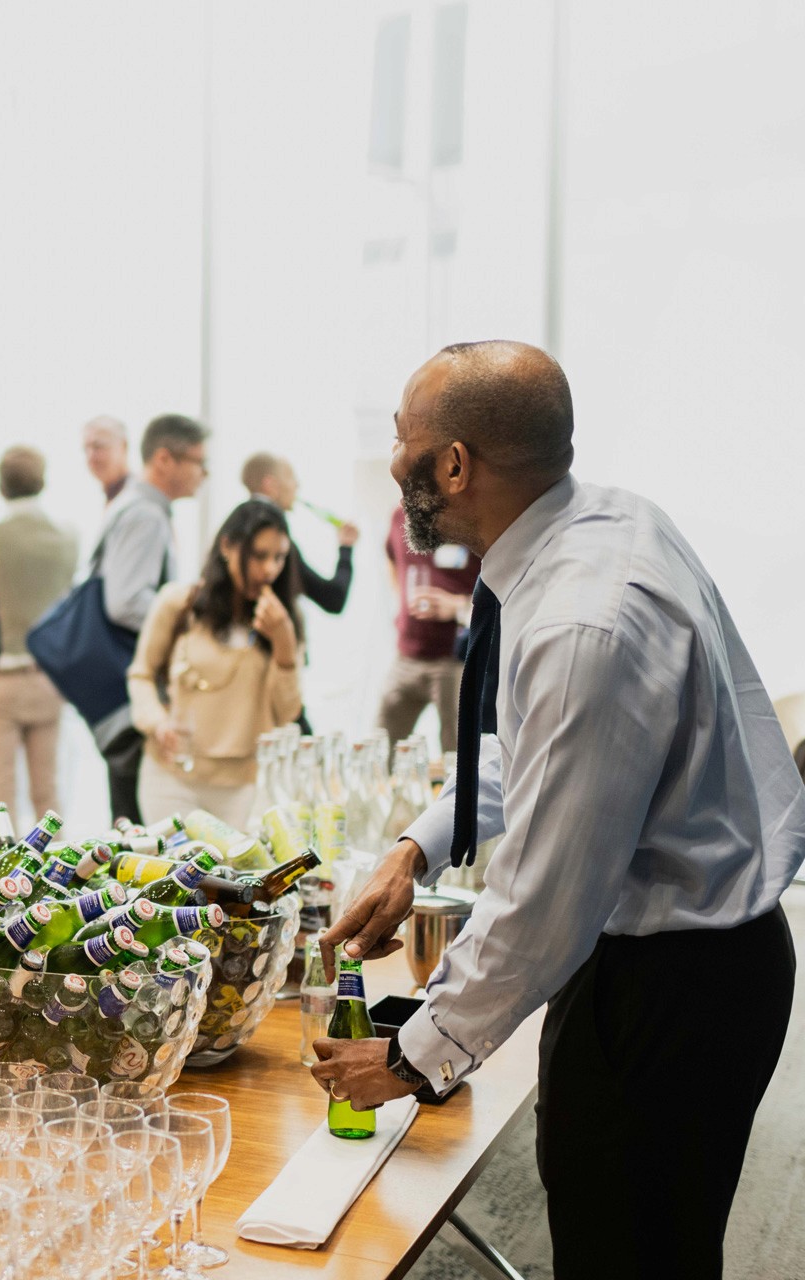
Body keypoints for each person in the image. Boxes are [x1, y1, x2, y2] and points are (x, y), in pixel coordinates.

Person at [314, 341, 804, 1280]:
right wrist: (417, 847)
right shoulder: (602, 523)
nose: (389, 459)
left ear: (453, 464)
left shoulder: (587, 620)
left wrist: (410, 1058)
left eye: (399, 435)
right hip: (687, 963)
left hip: (672, 986)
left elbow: (545, 900)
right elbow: (538, 748)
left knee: (628, 1251)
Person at [126, 501, 302, 828]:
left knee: (235, 877)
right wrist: (156, 721)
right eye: (259, 555)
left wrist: (284, 644)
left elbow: (287, 712)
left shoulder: (281, 620)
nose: (269, 570)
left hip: (244, 785)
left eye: (279, 557)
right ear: (227, 546)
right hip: (171, 776)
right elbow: (141, 674)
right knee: (173, 874)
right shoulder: (178, 604)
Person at [88, 413, 209, 823]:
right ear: (164, 459)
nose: (204, 474)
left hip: (116, 681)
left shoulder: (135, 506)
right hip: (127, 682)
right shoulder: (144, 514)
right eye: (197, 461)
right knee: (134, 823)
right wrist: (181, 622)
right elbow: (123, 602)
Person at [0, 446, 78, 821]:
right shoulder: (67, 537)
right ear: (42, 481)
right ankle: (62, 878)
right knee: (48, 794)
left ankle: (5, 880)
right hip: (48, 680)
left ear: (1, 485)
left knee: (0, 797)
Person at [376, 502, 479, 750]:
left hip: (454, 660)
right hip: (406, 654)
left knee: (456, 754)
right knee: (380, 745)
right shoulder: (398, 517)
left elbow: (499, 589)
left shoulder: (468, 515)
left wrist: (457, 606)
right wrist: (401, 602)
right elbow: (392, 559)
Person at [239, 452, 359, 612]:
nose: (297, 485)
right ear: (270, 485)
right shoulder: (280, 547)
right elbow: (333, 599)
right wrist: (346, 547)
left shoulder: (236, 530)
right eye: (290, 477)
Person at [81, 414, 131, 506]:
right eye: (86, 448)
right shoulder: (110, 496)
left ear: (123, 446)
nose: (90, 457)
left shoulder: (139, 501)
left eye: (98, 446)